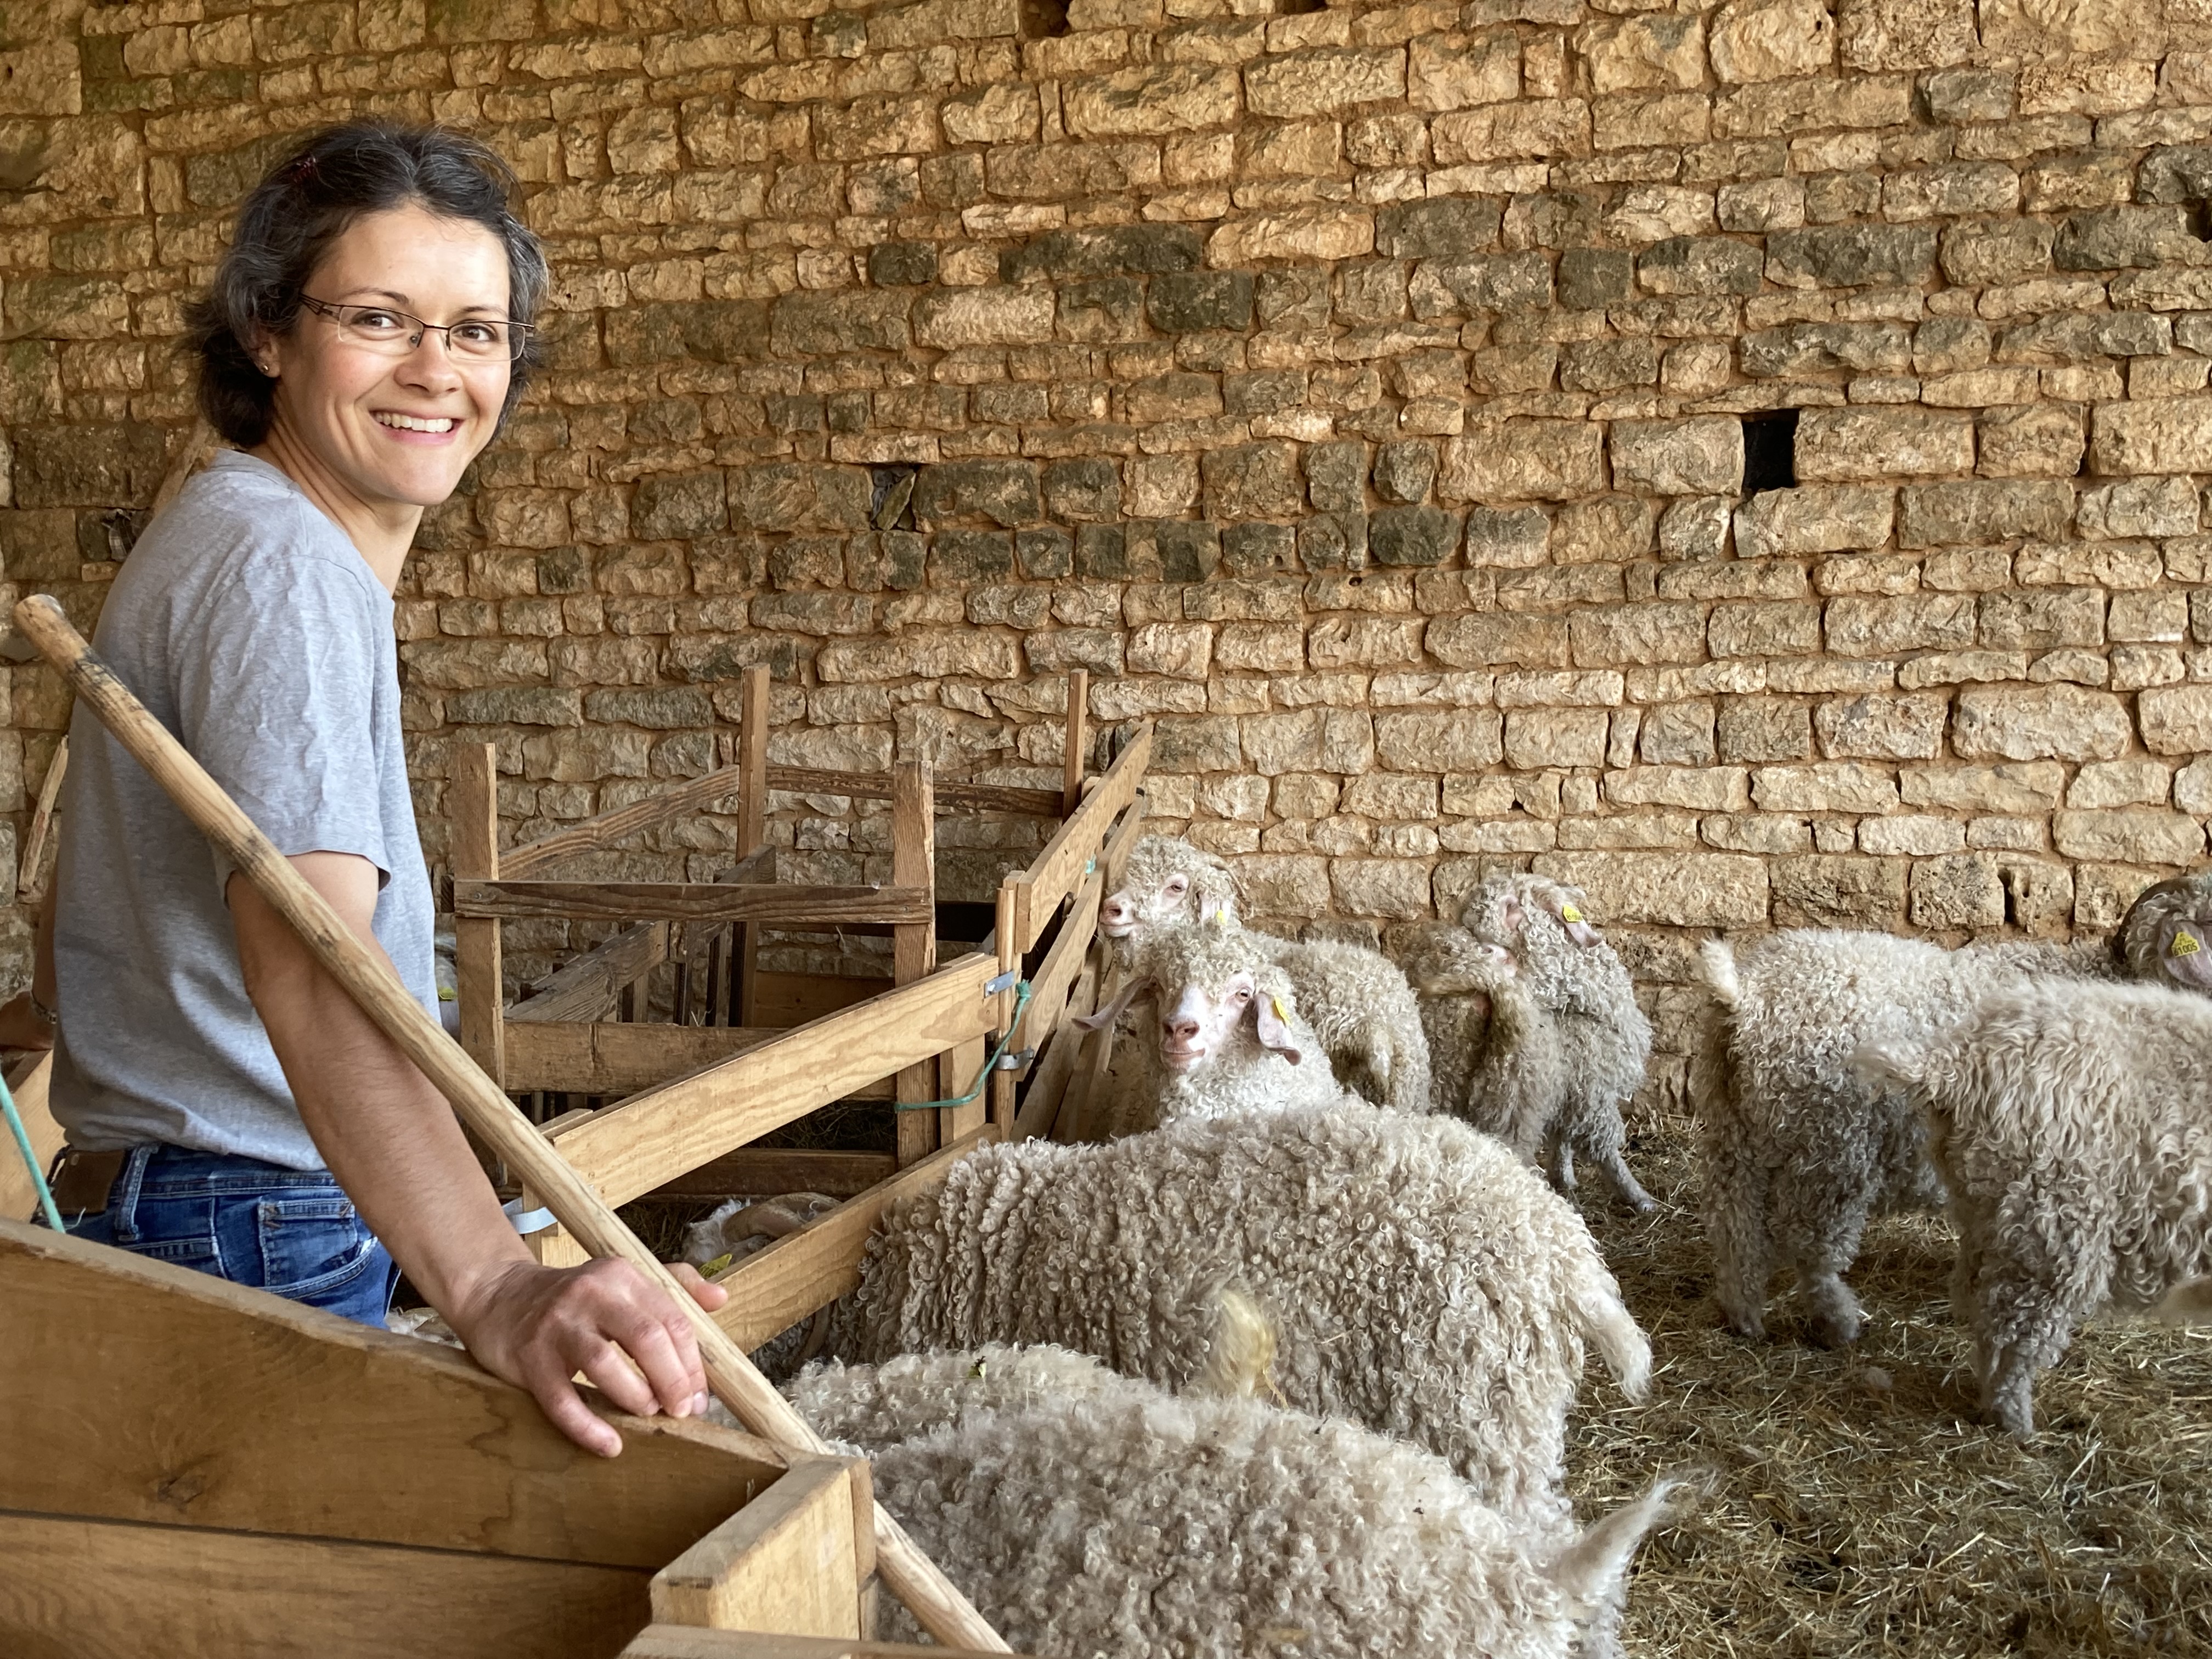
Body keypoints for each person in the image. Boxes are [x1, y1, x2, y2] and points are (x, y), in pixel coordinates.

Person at [9, 122, 723, 1458]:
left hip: (220, 1198)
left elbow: (72, 927)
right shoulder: (285, 569)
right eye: (382, 319)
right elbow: (312, 962)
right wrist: (499, 1285)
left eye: (477, 331)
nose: (437, 373)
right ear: (268, 331)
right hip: (254, 1216)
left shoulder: (221, 532)